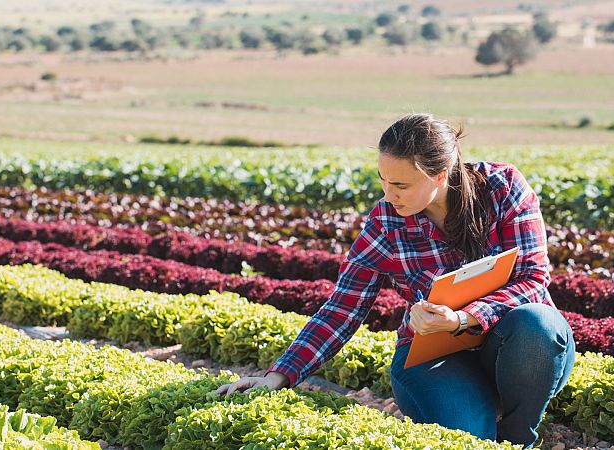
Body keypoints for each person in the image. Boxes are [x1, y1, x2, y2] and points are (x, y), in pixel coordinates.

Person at [214, 113, 576, 448]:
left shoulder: (502, 188)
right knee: (469, 437)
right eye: (383, 181)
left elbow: (532, 278)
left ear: (439, 175)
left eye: (400, 184)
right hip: (435, 357)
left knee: (538, 323)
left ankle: (518, 437)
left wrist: (465, 317)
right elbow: (342, 308)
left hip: (519, 345)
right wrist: (278, 376)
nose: (389, 195)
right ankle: (475, 407)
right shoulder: (386, 223)